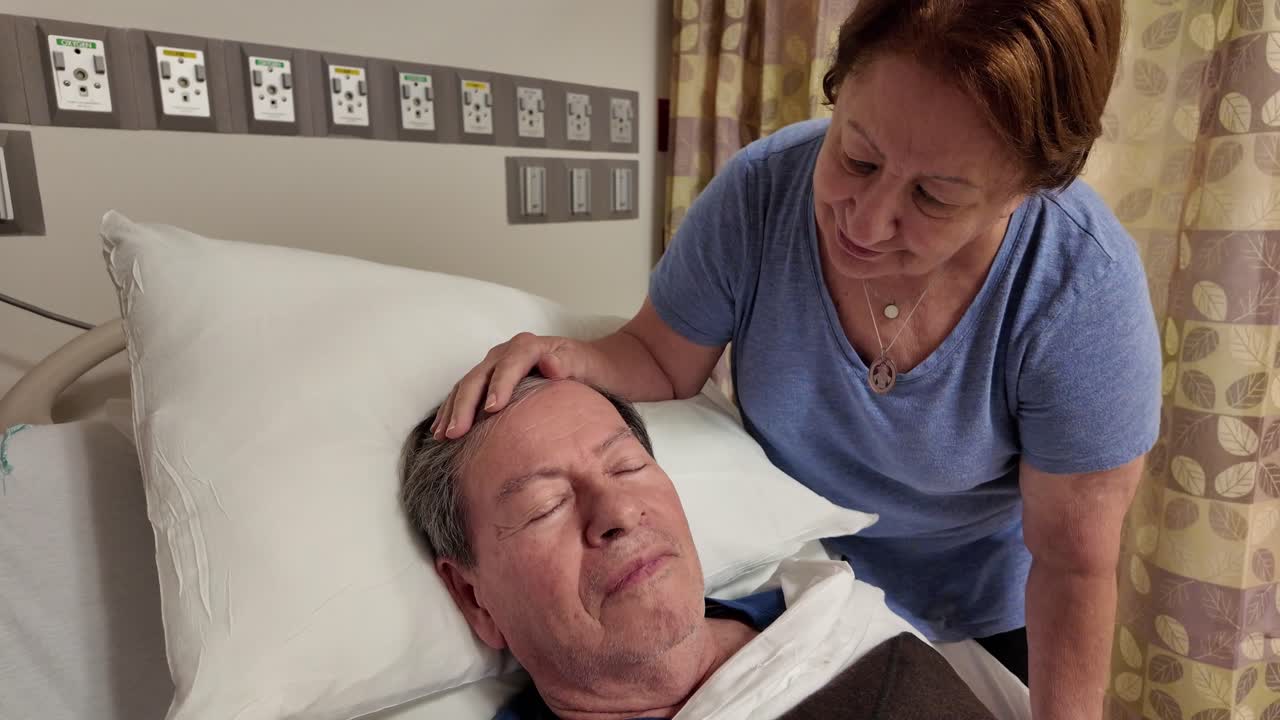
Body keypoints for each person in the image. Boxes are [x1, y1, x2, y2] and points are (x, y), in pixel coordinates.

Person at [432, 1, 1160, 717]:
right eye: (856, 156)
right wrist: (569, 355)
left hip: (972, 609)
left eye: (934, 197)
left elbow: (1072, 564)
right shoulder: (759, 196)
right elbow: (660, 357)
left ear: (1023, 192)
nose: (866, 222)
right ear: (838, 89)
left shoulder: (1076, 290)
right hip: (796, 579)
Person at [400, 376, 1017, 720]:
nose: (617, 513)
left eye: (626, 468)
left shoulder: (837, 617)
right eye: (545, 507)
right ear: (472, 596)